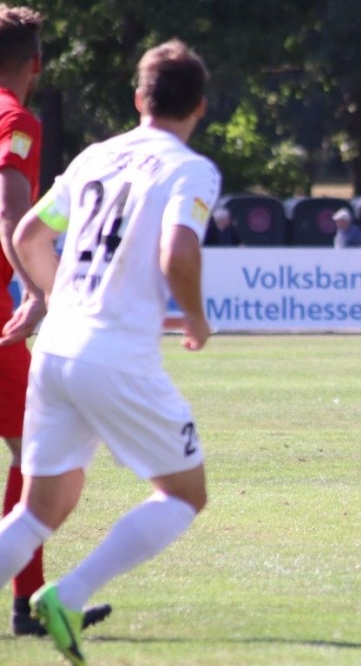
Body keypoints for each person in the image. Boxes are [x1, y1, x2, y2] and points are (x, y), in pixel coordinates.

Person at [0, 39, 220, 665]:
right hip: (115, 355)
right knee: (184, 493)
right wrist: (196, 317)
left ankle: (58, 597)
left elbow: (28, 234)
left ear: (138, 98)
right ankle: (68, 596)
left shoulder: (96, 155)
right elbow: (177, 252)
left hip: (57, 351)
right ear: (199, 107)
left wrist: (52, 296)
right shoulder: (190, 169)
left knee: (39, 510)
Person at [0, 4, 112, 637]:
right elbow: (11, 208)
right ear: (36, 64)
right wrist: (38, 289)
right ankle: (27, 603)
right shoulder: (15, 121)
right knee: (37, 452)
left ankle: (28, 603)